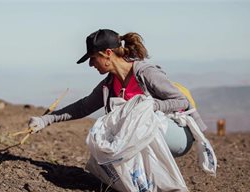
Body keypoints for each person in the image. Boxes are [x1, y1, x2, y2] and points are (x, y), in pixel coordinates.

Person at [28, 29, 207, 158]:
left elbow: (181, 101)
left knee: (130, 123)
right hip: (149, 134)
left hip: (177, 135)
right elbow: (83, 107)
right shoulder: (109, 84)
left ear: (107, 53)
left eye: (93, 58)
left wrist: (152, 106)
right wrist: (46, 120)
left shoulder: (146, 73)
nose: (91, 64)